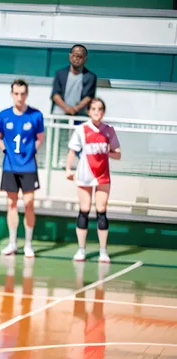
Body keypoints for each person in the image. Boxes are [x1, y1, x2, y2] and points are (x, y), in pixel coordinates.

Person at [0, 79, 45, 258]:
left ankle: (28, 244)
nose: (19, 97)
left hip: (28, 166)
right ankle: (12, 243)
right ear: (12, 94)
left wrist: (32, 151)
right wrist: (5, 150)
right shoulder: (4, 115)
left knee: (29, 203)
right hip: (10, 166)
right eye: (16, 94)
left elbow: (40, 136)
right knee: (11, 204)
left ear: (26, 94)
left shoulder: (35, 115)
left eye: (23, 94)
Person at [65, 98, 120, 263]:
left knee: (101, 211)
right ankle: (81, 250)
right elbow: (72, 151)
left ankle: (103, 251)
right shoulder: (81, 129)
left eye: (100, 109)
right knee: (84, 210)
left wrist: (106, 153)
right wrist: (68, 169)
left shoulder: (109, 130)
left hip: (102, 175)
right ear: (88, 111)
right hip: (84, 174)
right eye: (94, 109)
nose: (97, 112)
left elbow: (118, 153)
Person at [51, 44, 97, 117]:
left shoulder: (90, 77)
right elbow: (55, 95)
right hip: (59, 114)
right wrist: (67, 109)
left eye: (80, 57)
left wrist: (75, 109)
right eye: (75, 55)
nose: (77, 58)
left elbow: (89, 97)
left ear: (85, 59)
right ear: (70, 56)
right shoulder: (60, 74)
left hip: (80, 116)